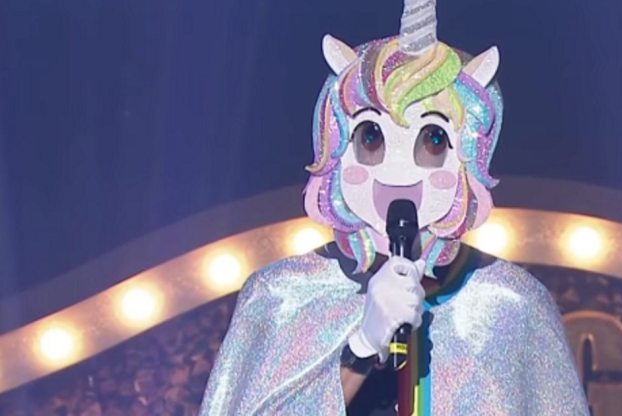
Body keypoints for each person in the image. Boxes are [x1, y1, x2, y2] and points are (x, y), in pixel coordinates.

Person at [200, 0, 590, 414]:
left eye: (433, 142)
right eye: (371, 138)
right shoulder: (281, 298)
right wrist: (362, 346)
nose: (399, 172)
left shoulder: (511, 306)